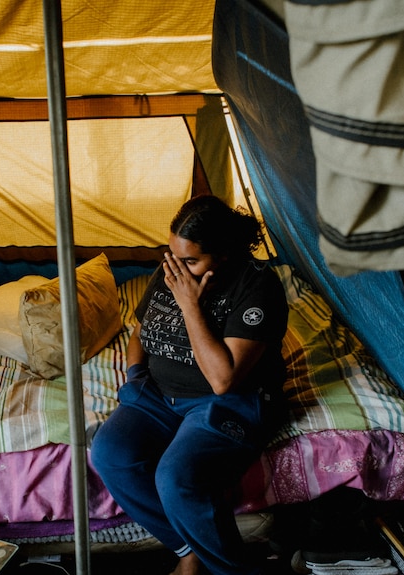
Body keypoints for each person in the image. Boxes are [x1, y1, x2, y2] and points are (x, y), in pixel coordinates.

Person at [91, 195, 289, 575]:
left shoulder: (256, 288)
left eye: (190, 261)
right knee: (109, 453)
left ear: (225, 254)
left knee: (176, 478)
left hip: (227, 402)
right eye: (172, 256)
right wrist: (135, 377)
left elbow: (222, 379)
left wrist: (191, 306)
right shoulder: (171, 273)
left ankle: (230, 568)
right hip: (158, 394)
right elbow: (139, 332)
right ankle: (188, 547)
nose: (176, 270)